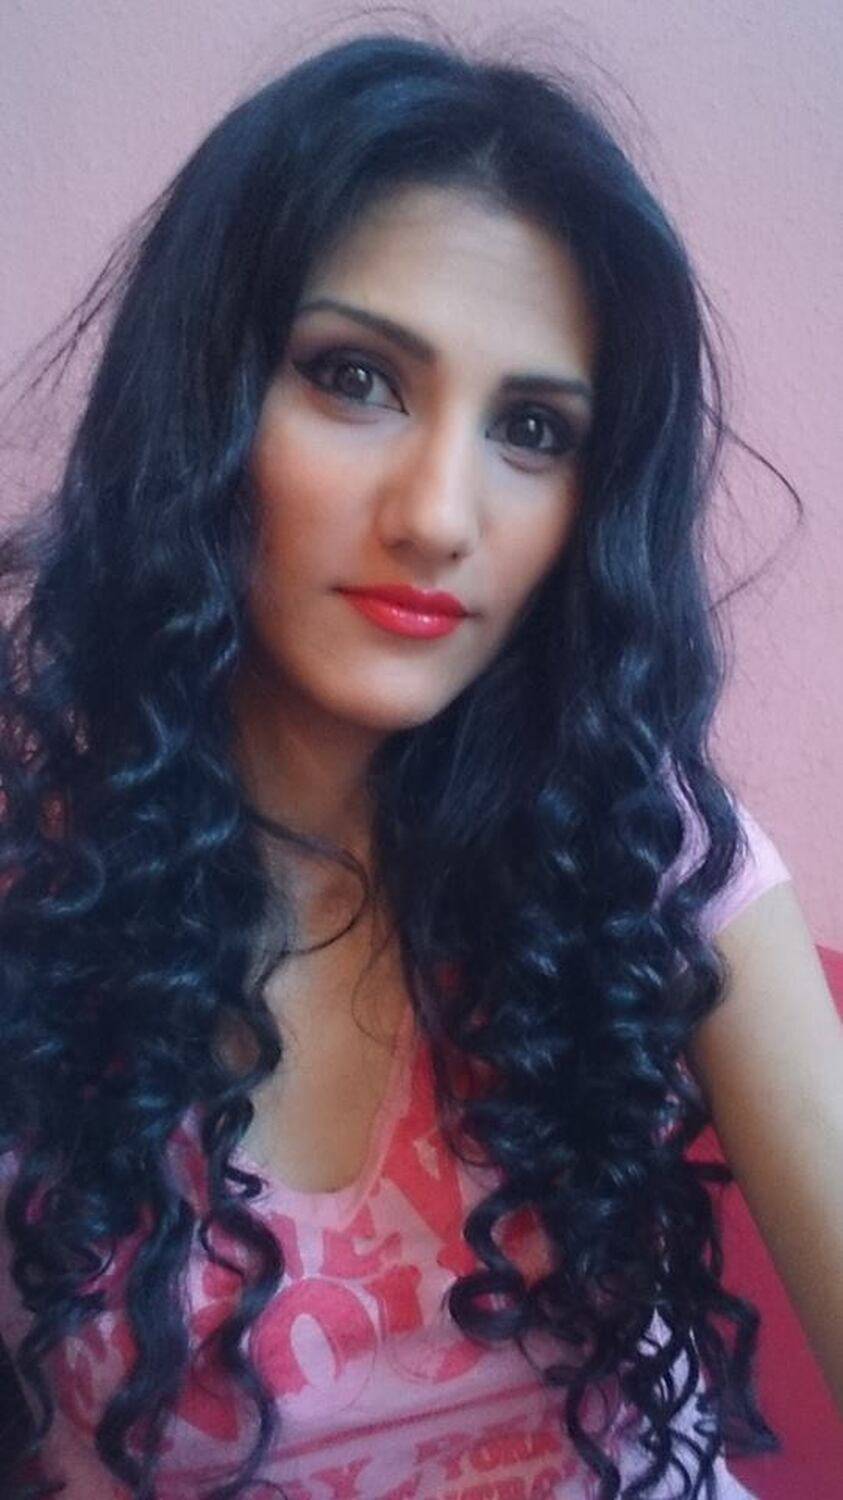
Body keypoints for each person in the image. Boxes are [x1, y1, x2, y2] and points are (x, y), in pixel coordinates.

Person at [0, 24, 840, 1500]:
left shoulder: (648, 850)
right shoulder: (34, 895)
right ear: (204, 401)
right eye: (356, 377)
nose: (441, 515)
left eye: (534, 429)